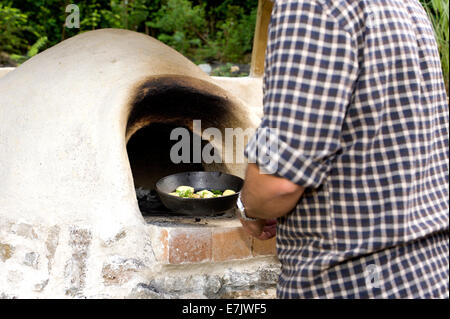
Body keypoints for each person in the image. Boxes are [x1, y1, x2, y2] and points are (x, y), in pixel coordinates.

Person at [236, 0, 449, 298]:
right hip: (426, 273)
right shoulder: (406, 4)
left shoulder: (311, 6)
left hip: (353, 282)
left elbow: (277, 183)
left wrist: (249, 205)